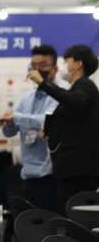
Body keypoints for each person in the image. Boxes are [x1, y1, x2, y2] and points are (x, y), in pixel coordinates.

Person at [27, 44, 99, 215]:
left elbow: (75, 102)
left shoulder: (85, 85)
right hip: (72, 168)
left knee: (75, 218)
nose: (63, 66)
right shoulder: (77, 89)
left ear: (78, 64)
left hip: (79, 169)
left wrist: (43, 83)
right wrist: (50, 129)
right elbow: (75, 120)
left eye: (66, 61)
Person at [0, 45, 61, 213]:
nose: (37, 70)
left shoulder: (61, 95)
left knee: (50, 224)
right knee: (29, 225)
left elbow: (47, 121)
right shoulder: (27, 97)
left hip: (50, 174)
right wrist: (8, 123)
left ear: (55, 69)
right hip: (27, 174)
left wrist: (16, 117)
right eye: (33, 65)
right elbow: (11, 132)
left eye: (43, 65)